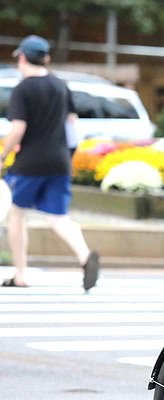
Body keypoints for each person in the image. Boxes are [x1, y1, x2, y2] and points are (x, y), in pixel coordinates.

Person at [0, 35, 99, 291]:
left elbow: (18, 128)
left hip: (29, 163)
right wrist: (68, 155)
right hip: (60, 162)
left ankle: (21, 274)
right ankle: (85, 256)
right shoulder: (61, 86)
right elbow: (73, 125)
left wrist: (3, 155)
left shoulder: (24, 88)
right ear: (46, 59)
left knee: (17, 214)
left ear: (22, 57)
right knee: (58, 218)